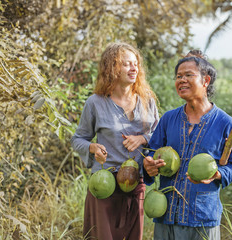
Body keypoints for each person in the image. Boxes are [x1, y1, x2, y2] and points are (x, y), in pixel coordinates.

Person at [143, 50, 232, 240]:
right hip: (166, 216)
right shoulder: (168, 119)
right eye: (178, 76)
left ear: (206, 80)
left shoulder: (227, 124)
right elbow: (151, 155)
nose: (181, 80)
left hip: (202, 218)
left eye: (189, 75)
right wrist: (148, 166)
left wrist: (218, 174)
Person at [71, 42, 159, 240]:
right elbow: (78, 139)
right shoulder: (95, 103)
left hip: (136, 183)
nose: (134, 68)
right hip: (104, 185)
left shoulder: (147, 101)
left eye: (135, 63)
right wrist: (92, 147)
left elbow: (159, 136)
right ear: (112, 68)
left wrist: (142, 138)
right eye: (127, 64)